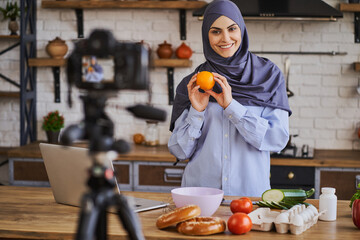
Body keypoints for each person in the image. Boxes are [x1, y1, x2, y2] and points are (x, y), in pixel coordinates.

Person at [168, 0, 291, 197]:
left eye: (232, 29)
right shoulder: (192, 85)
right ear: (206, 35)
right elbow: (180, 152)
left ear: (241, 29)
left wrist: (231, 107)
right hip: (200, 197)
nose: (225, 38)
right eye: (215, 31)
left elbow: (277, 139)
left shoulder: (268, 76)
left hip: (249, 199)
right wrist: (196, 112)